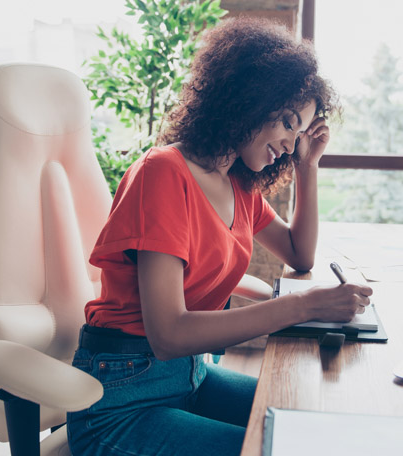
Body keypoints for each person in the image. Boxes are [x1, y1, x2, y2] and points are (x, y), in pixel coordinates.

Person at [67, 17, 372, 456]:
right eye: (288, 122)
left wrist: (308, 167)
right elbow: (168, 334)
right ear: (252, 96)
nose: (290, 143)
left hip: (189, 376)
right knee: (281, 447)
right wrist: (302, 305)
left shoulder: (239, 185)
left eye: (299, 132)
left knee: (311, 422)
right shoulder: (163, 173)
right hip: (121, 401)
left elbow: (300, 254)